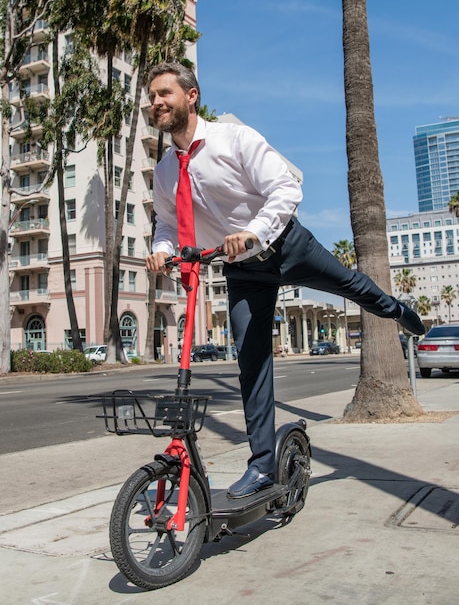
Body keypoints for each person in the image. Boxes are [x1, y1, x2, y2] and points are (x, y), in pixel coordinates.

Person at [145, 62, 425, 499]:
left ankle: (396, 310)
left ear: (191, 95)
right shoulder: (165, 171)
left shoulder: (234, 138)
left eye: (165, 93)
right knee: (251, 361)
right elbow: (166, 223)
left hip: (286, 246)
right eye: (152, 97)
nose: (156, 102)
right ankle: (261, 466)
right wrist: (162, 250)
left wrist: (254, 229)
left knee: (351, 284)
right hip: (241, 270)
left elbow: (285, 188)